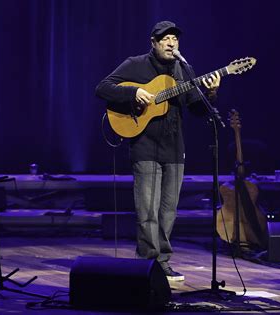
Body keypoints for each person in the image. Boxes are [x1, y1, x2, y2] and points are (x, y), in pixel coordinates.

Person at [95, 20, 221, 281]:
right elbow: (103, 88)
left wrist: (211, 94)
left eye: (174, 38)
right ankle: (147, 263)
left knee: (168, 210)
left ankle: (162, 262)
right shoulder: (135, 64)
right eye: (164, 38)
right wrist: (135, 92)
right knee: (147, 211)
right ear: (153, 42)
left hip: (175, 148)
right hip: (144, 145)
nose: (171, 42)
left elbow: (197, 110)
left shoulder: (184, 70)